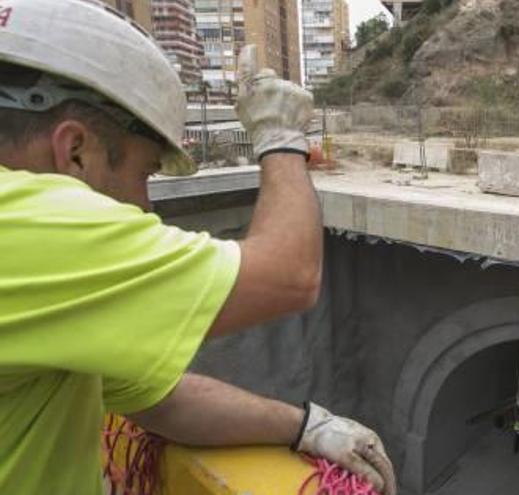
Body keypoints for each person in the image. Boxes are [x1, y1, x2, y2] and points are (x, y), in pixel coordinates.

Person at [0, 1, 395, 494]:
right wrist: (281, 137)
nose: (147, 203)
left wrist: (307, 425)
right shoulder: (30, 225)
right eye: (144, 173)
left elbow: (156, 401)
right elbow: (290, 275)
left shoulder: (44, 289)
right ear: (74, 149)